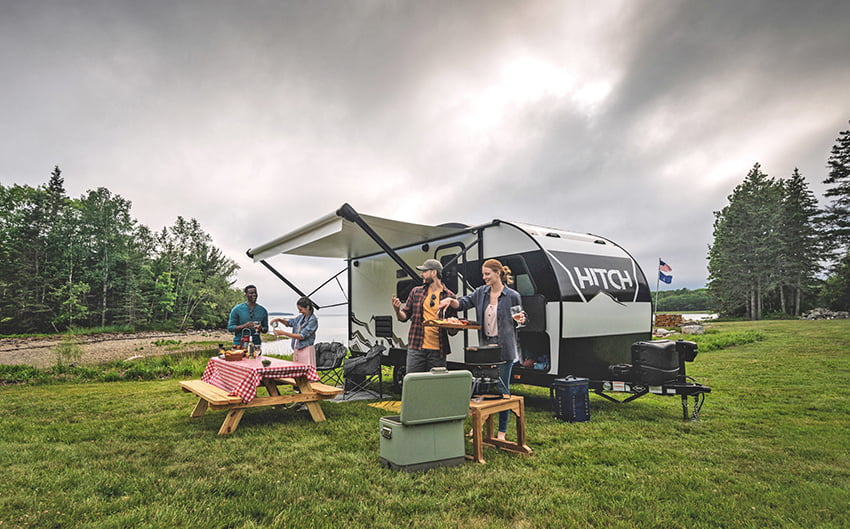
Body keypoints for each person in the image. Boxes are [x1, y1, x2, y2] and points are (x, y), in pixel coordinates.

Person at [439, 258, 526, 440]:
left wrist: (521, 319)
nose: (484, 277)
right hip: (486, 349)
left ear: (498, 273)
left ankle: (501, 432)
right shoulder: (481, 293)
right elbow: (463, 303)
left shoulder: (512, 296)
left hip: (504, 349)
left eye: (487, 274)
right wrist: (450, 300)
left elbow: (520, 321)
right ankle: (479, 426)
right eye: (483, 274)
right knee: (482, 388)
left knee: (503, 391)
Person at [391, 258, 457, 374]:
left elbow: (452, 331)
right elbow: (404, 316)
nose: (421, 275)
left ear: (434, 273)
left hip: (438, 350)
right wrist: (397, 310)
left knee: (436, 386)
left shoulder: (449, 296)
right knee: (413, 383)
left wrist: (453, 324)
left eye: (424, 271)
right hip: (416, 348)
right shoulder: (416, 292)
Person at [270, 296, 318, 366]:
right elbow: (290, 323)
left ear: (307, 307)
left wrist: (284, 333)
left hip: (307, 350)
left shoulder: (312, 320)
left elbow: (302, 336)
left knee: (306, 373)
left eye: (301, 310)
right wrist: (279, 320)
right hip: (298, 349)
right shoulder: (301, 317)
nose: (299, 312)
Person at [228, 285, 269, 349]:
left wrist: (261, 328)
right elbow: (230, 328)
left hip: (256, 345)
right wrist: (245, 326)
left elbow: (266, 329)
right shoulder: (237, 309)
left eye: (255, 292)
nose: (254, 295)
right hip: (239, 344)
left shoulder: (262, 310)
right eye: (251, 293)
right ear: (246, 295)